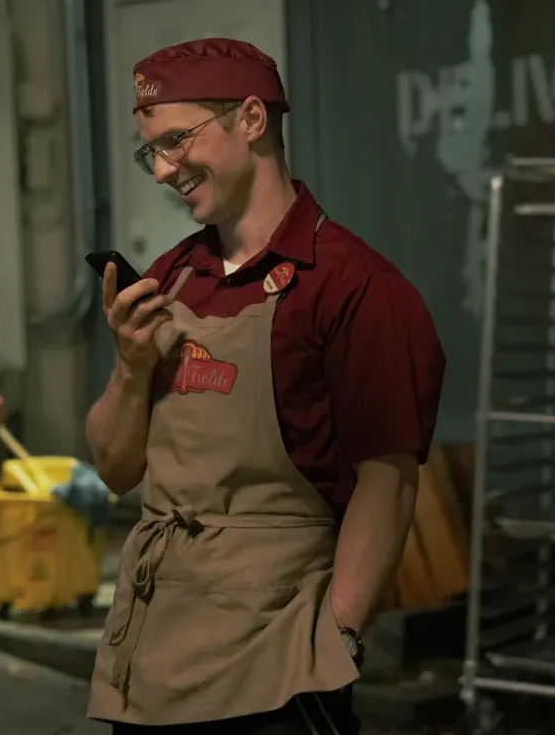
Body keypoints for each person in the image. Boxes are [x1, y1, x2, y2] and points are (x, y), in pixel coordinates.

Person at [85, 37, 446, 734]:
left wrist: (338, 637)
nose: (161, 170)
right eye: (149, 151)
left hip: (279, 666)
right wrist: (130, 365)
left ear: (252, 119)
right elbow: (115, 469)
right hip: (152, 658)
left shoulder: (354, 288)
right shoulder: (171, 278)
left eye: (176, 141)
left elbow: (388, 482)